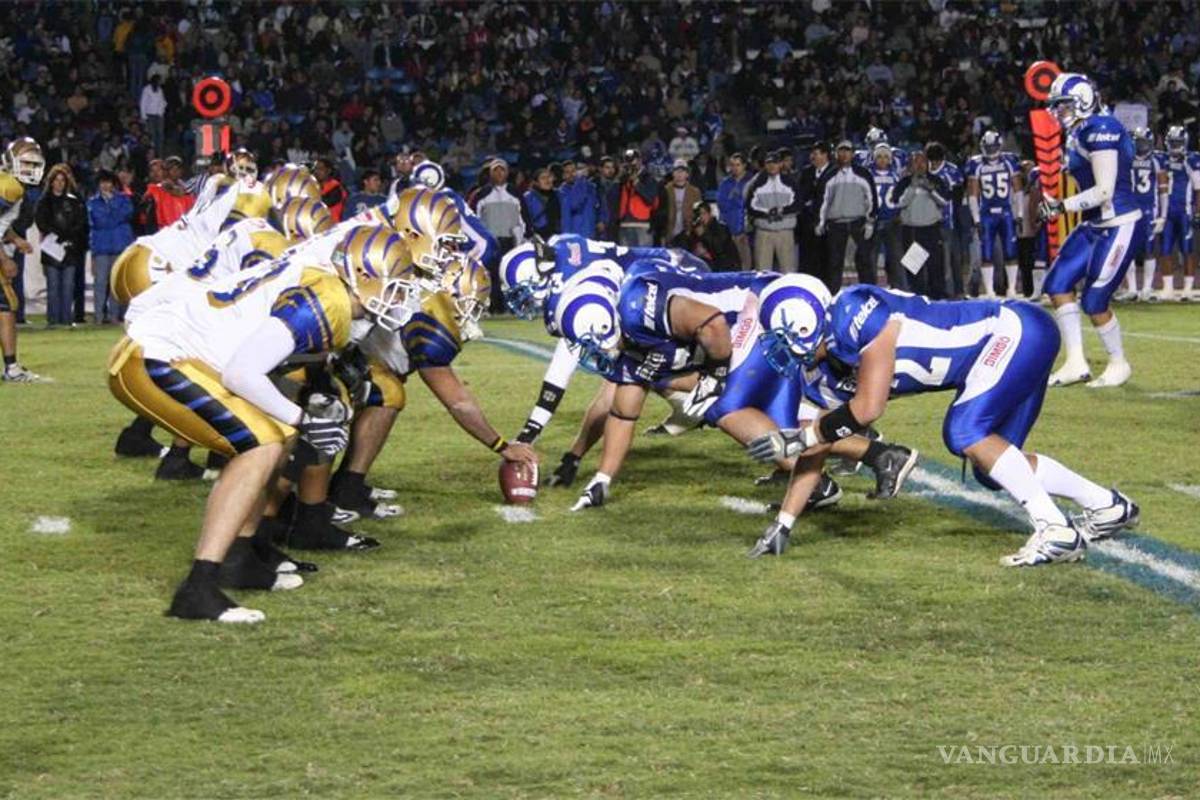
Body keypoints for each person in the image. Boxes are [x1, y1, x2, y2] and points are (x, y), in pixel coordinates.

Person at [109, 225, 418, 622]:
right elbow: (243, 372)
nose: (404, 292)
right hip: (155, 357)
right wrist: (302, 418)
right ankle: (198, 588)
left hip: (176, 353)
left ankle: (241, 553)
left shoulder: (328, 292)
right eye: (397, 281)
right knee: (263, 444)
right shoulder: (327, 301)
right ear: (363, 274)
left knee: (281, 437)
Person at [747, 281, 1139, 565]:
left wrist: (801, 436)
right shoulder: (820, 376)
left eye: (785, 341)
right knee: (995, 466)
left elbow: (867, 409)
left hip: (1012, 330)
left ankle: (1055, 529)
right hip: (1005, 349)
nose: (783, 354)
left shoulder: (854, 311)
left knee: (965, 432)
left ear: (810, 327)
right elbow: (818, 446)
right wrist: (785, 523)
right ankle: (1106, 505)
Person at [1039, 73, 1145, 389]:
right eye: (1057, 107)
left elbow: (1104, 191)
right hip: (1096, 223)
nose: (1060, 112)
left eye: (1065, 105)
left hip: (1120, 222)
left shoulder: (1102, 129)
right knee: (1057, 284)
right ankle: (1075, 362)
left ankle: (1118, 362)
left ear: (1084, 99)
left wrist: (1061, 206)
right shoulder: (1080, 131)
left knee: (1095, 300)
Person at [0, 137, 45, 382]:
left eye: (33, 164)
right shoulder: (9, 186)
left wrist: (15, 240)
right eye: (25, 163)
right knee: (6, 304)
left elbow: (1, 223)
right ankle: (12, 369)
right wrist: (5, 259)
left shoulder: (8, 182)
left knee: (6, 305)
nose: (29, 169)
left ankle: (12, 367)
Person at [966, 131, 1023, 298]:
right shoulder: (976, 164)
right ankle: (990, 290)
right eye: (988, 147)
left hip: (1005, 211)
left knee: (1011, 251)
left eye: (993, 147)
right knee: (986, 253)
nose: (990, 150)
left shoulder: (1010, 161)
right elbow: (973, 194)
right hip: (987, 214)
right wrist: (976, 219)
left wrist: (1019, 213)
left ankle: (1011, 288)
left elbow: (1018, 189)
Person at [817, 140, 876, 291]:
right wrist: (820, 222)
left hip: (858, 222)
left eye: (847, 151)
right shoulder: (829, 175)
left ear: (852, 153)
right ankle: (833, 296)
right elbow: (823, 201)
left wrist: (870, 221)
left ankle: (868, 294)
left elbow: (871, 198)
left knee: (864, 260)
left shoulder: (863, 174)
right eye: (841, 151)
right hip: (836, 224)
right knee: (834, 263)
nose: (844, 154)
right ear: (836, 153)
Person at [35, 164, 89, 327]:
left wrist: (67, 236)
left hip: (69, 249)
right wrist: (58, 234)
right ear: (51, 182)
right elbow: (41, 223)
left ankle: (66, 321)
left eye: (62, 180)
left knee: (67, 287)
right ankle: (53, 321)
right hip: (51, 249)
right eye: (56, 180)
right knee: (53, 288)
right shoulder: (43, 202)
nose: (59, 183)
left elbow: (80, 223)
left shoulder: (74, 202)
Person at [1150, 125, 1200, 301]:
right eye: (1173, 142)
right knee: (1164, 250)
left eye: (1178, 142)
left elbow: (1198, 188)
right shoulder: (1160, 158)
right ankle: (1168, 288)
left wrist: (1197, 211)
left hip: (1184, 211)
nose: (1175, 146)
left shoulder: (1191, 160)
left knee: (1188, 250)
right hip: (1166, 213)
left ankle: (1187, 288)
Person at [894, 150, 950, 297]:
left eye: (923, 161)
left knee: (936, 265)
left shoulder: (936, 181)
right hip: (912, 230)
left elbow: (945, 201)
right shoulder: (904, 182)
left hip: (931, 229)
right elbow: (899, 203)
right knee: (914, 267)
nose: (920, 165)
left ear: (928, 164)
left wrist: (930, 189)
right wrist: (912, 188)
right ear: (911, 165)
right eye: (916, 162)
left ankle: (937, 296)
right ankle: (917, 296)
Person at [1119, 128, 1165, 302]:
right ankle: (1132, 288)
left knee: (1149, 249)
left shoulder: (1156, 161)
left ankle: (1146, 288)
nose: (1141, 146)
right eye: (1138, 142)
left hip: (1148, 210)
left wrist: (1163, 215)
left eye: (1144, 142)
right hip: (1130, 208)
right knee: (1128, 250)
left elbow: (1162, 191)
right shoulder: (1126, 160)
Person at [87, 170, 134, 324]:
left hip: (120, 246)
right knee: (100, 283)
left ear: (113, 184)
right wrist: (114, 214)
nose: (106, 185)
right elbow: (99, 221)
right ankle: (99, 317)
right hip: (101, 248)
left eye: (108, 182)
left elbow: (127, 214)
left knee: (115, 284)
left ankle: (114, 317)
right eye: (103, 182)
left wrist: (111, 206)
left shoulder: (124, 199)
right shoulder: (93, 202)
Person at [745, 150, 800, 272]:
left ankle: (789, 292)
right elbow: (750, 207)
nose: (772, 166)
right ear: (764, 165)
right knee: (762, 271)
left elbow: (797, 204)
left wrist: (781, 210)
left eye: (775, 163)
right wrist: (767, 212)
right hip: (764, 231)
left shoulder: (790, 183)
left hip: (785, 231)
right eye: (769, 163)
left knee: (788, 271)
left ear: (780, 164)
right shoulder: (757, 184)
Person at [866, 144, 904, 289]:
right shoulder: (868, 174)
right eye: (879, 157)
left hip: (892, 221)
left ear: (890, 159)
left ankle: (897, 289)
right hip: (874, 221)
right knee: (871, 259)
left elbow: (902, 197)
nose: (882, 160)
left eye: (885, 157)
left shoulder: (896, 175)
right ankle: (871, 290)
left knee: (895, 258)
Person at [797, 142, 834, 279]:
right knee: (808, 259)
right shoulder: (807, 172)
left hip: (828, 222)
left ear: (825, 155)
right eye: (812, 154)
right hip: (808, 222)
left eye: (816, 154)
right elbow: (801, 194)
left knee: (827, 258)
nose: (813, 157)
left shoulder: (834, 171)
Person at [716, 152, 752, 268]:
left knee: (747, 263)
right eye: (732, 165)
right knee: (731, 264)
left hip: (747, 232)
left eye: (738, 165)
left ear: (744, 165)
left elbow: (751, 204)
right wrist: (738, 200)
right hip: (729, 232)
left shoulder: (751, 182)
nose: (735, 168)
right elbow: (722, 204)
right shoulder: (725, 183)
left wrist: (735, 200)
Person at [617, 148, 659, 246]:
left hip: (642, 224)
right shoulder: (623, 178)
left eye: (632, 160)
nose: (630, 164)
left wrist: (637, 183)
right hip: (624, 223)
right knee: (625, 258)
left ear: (640, 160)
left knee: (643, 258)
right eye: (628, 161)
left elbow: (651, 199)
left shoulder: (649, 177)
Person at [657, 159, 703, 247]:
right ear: (673, 173)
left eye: (682, 171)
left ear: (687, 174)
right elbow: (660, 213)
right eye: (677, 171)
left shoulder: (695, 192)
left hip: (688, 235)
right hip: (669, 234)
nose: (679, 174)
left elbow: (699, 214)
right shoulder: (665, 190)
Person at [688, 201, 740, 269]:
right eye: (698, 215)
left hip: (726, 267)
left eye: (703, 214)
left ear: (709, 214)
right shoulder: (696, 229)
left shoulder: (721, 228)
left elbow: (719, 249)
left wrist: (704, 235)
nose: (701, 217)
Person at [558, 160, 600, 238]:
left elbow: (597, 205)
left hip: (592, 232)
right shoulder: (561, 192)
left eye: (573, 171)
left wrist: (600, 220)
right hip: (574, 234)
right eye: (567, 172)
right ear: (563, 176)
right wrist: (581, 180)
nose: (571, 174)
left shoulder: (590, 187)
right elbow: (575, 204)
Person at [521, 167, 561, 240]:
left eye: (549, 177)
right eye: (543, 178)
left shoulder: (559, 195)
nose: (547, 180)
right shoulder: (528, 198)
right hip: (537, 237)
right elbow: (525, 219)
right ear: (536, 182)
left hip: (557, 236)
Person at [139, 74, 167, 155]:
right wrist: (143, 116)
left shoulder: (160, 89)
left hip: (159, 115)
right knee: (152, 135)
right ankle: (153, 153)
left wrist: (162, 110)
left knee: (160, 135)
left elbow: (162, 101)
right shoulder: (146, 89)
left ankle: (160, 153)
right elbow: (143, 103)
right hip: (150, 115)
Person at [313, 157, 347, 221]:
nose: (317, 171)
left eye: (320, 169)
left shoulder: (336, 187)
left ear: (328, 171)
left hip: (334, 225)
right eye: (315, 169)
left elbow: (324, 203)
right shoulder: (314, 186)